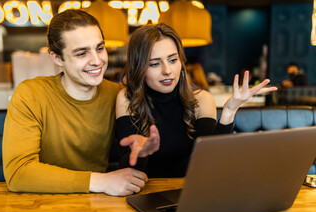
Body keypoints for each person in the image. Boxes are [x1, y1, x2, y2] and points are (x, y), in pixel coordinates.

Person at [2, 10, 160, 196]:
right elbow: (18, 173)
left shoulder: (118, 95)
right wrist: (101, 181)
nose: (97, 61)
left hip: (96, 206)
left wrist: (141, 150)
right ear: (57, 58)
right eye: (81, 53)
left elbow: (130, 157)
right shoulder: (31, 94)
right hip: (39, 205)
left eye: (100, 48)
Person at [115, 23, 277, 177]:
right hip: (143, 193)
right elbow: (126, 172)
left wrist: (230, 110)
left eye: (173, 60)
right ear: (139, 68)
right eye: (155, 64)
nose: (167, 71)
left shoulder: (202, 99)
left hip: (191, 192)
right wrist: (142, 153)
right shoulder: (127, 99)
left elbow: (210, 162)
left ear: (181, 62)